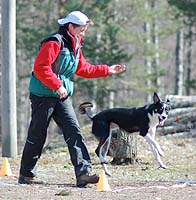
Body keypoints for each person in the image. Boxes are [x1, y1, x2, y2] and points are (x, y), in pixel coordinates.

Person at [18, 10, 126, 187]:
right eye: (81, 30)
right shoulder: (54, 42)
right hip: (42, 95)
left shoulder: (75, 43)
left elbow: (83, 68)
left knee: (74, 131)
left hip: (62, 96)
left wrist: (108, 70)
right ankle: (26, 174)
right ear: (70, 26)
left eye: (84, 30)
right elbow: (41, 68)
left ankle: (83, 174)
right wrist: (57, 85)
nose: (83, 33)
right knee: (38, 134)